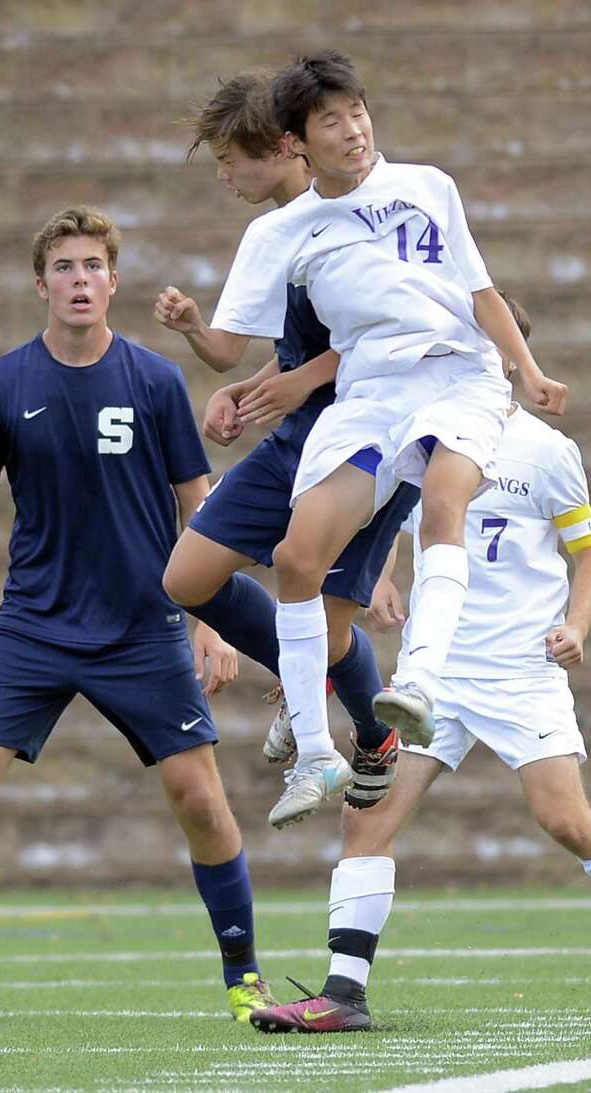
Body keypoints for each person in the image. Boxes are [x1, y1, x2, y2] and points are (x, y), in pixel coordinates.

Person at [0, 207, 277, 1026]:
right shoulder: (0, 385)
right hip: (33, 627)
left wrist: (210, 622)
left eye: (94, 266)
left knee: (202, 801)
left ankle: (245, 977)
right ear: (41, 283)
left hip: (143, 625)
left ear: (115, 280)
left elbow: (200, 508)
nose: (81, 280)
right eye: (66, 267)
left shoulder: (153, 381)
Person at [247, 294, 591, 1033]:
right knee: (368, 818)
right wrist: (381, 577)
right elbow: (389, 523)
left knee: (567, 820)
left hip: (520, 670)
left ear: (503, 353)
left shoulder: (546, 449)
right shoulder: (417, 432)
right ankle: (343, 994)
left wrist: (576, 626)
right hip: (437, 675)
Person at [204, 50, 568, 830]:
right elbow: (232, 344)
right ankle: (314, 752)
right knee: (299, 559)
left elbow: (480, 294)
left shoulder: (429, 186)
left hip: (458, 377)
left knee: (444, 504)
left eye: (358, 111)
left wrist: (528, 371)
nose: (353, 129)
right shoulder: (282, 234)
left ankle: (421, 682)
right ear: (297, 142)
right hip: (371, 393)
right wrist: (209, 354)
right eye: (330, 119)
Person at [153, 71, 418, 823]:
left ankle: (369, 734)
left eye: (229, 160)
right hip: (301, 438)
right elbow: (260, 349)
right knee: (186, 576)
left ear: (279, 147)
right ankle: (311, 684)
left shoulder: (364, 208)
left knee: (330, 632)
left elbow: (394, 334)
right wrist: (242, 386)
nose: (225, 177)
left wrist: (302, 380)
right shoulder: (275, 232)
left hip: (370, 432)